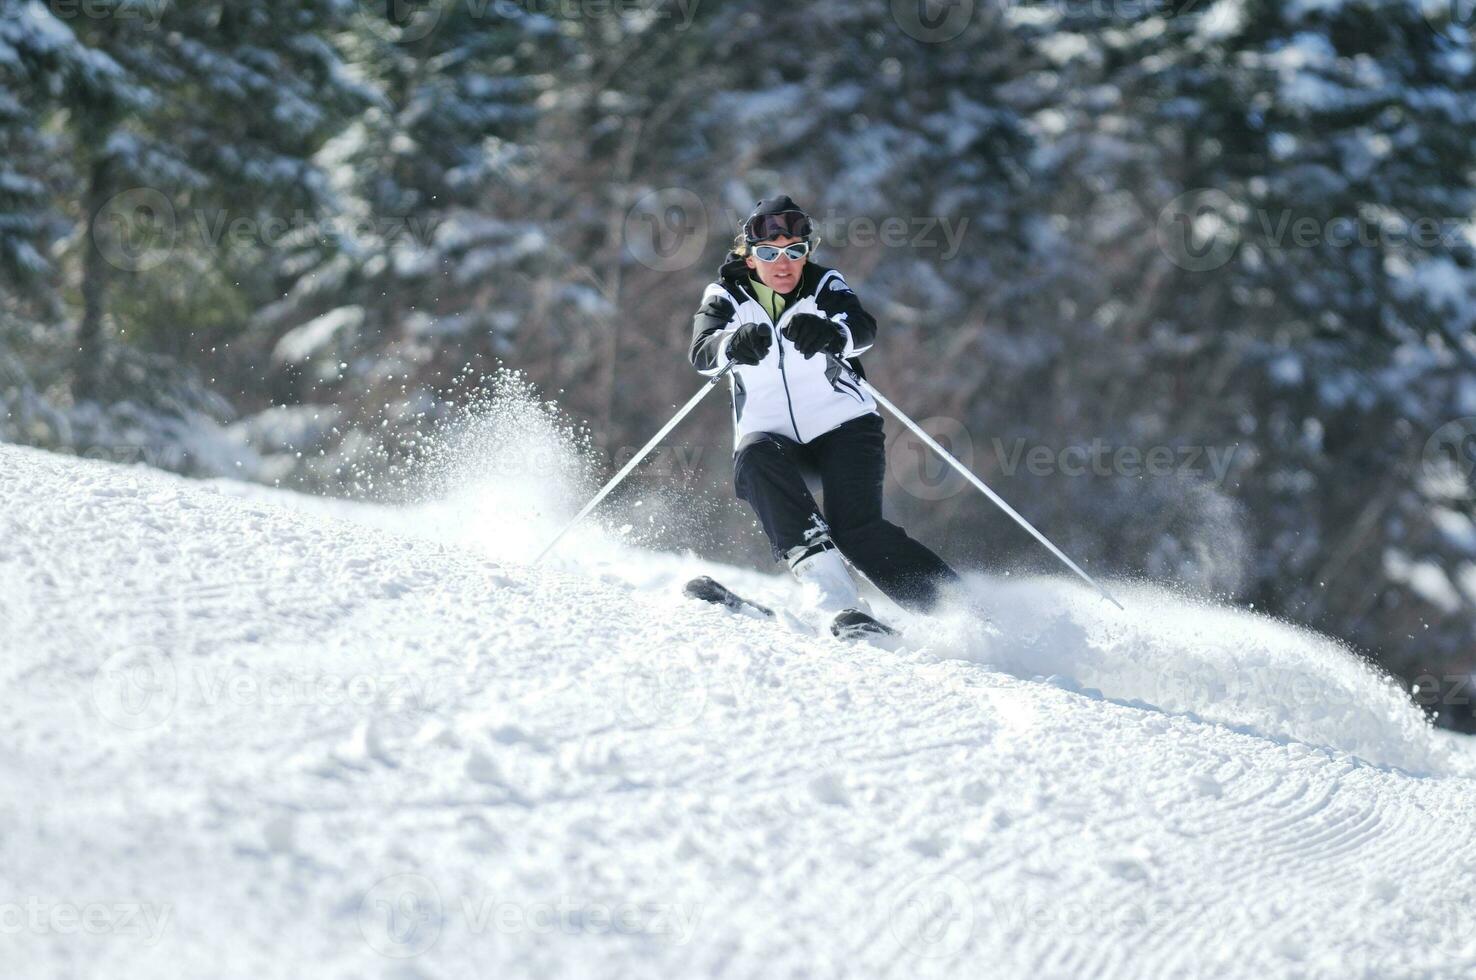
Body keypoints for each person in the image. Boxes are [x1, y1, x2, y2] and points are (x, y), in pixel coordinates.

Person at [689, 196, 961, 623]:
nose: (783, 264)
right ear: (749, 255)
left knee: (857, 531)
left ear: (807, 252)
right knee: (754, 459)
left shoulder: (822, 283)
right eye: (768, 253)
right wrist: (732, 344)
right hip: (774, 437)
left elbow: (862, 327)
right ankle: (835, 599)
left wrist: (832, 333)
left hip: (844, 429)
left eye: (794, 251)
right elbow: (702, 351)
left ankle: (960, 615)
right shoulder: (725, 294)